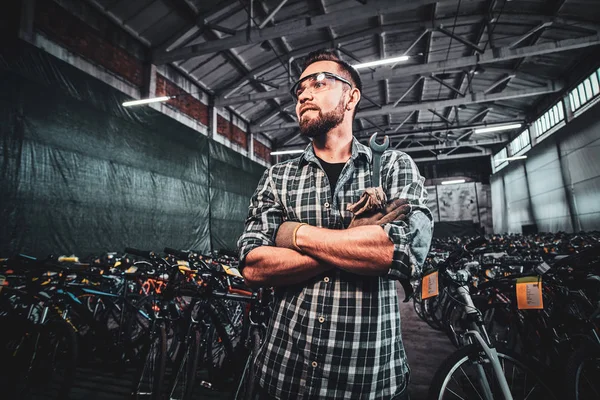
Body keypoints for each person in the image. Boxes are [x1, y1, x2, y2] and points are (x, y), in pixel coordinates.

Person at [237, 49, 434, 400]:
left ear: (352, 96)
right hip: (282, 374)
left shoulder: (393, 166)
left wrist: (292, 234)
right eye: (299, 90)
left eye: (320, 83)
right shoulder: (277, 177)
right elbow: (254, 266)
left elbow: (403, 253)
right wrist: (355, 240)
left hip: (368, 379)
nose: (305, 95)